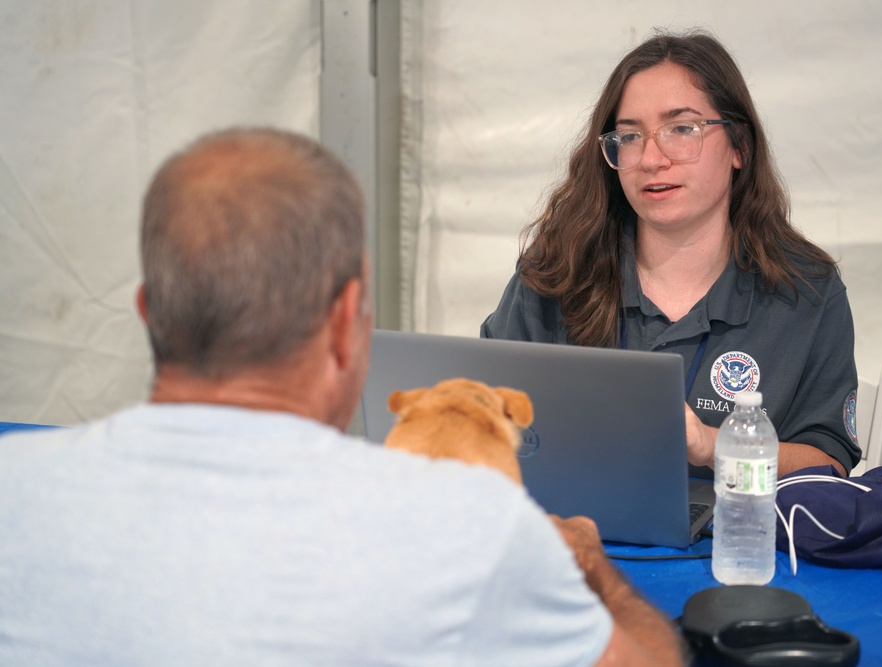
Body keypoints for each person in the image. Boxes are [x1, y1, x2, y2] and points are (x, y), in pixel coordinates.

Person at [0, 127, 685, 666]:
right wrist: (597, 570)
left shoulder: (13, 488)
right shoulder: (475, 524)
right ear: (343, 321)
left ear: (149, 311)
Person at [482, 30, 861, 479]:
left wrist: (711, 445)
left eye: (682, 129)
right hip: (575, 535)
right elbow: (482, 416)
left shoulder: (806, 290)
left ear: (739, 146)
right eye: (629, 136)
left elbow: (829, 463)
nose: (651, 158)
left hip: (732, 543)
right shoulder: (555, 271)